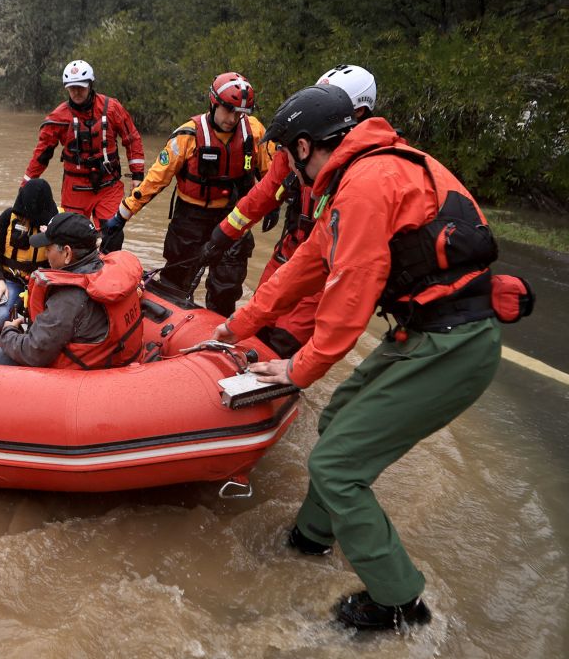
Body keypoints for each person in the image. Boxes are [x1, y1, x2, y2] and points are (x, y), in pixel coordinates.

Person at [213, 84, 505, 631]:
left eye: (285, 153)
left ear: (303, 148)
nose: (285, 167)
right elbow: (304, 267)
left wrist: (297, 370)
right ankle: (313, 536)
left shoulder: (367, 186)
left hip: (452, 343)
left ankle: (398, 602)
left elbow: (346, 304)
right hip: (429, 334)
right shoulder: (364, 176)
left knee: (337, 465)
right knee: (339, 413)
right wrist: (237, 325)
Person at [199, 64, 378, 356]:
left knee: (279, 344)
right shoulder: (296, 149)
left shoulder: (362, 176)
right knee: (252, 328)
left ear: (356, 114)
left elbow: (354, 273)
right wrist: (222, 235)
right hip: (287, 256)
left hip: (320, 272)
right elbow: (261, 196)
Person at [101, 72, 273, 316]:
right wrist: (121, 216)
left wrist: (273, 204)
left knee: (226, 286)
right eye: (228, 110)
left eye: (240, 113)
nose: (233, 118)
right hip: (190, 219)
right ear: (214, 103)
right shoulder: (187, 136)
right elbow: (154, 181)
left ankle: (218, 333)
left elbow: (272, 172)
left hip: (233, 216)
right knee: (175, 282)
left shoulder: (254, 132)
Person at [0, 212, 144, 368]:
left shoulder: (67, 297)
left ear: (67, 253)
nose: (45, 254)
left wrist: (8, 332)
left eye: (48, 248)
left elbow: (34, 352)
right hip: (117, 356)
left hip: (85, 375)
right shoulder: (106, 270)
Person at [23, 60, 146, 229]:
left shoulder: (112, 109)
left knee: (111, 233)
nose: (76, 92)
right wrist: (25, 187)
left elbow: (132, 138)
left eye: (80, 87)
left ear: (90, 84)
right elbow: (41, 155)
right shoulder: (58, 118)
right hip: (75, 187)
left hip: (108, 185)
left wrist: (137, 176)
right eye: (72, 88)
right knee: (73, 236)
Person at [0, 178, 59, 332]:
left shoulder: (57, 223)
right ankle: (7, 332)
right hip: (8, 279)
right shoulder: (8, 217)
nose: (28, 221)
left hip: (42, 283)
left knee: (51, 324)